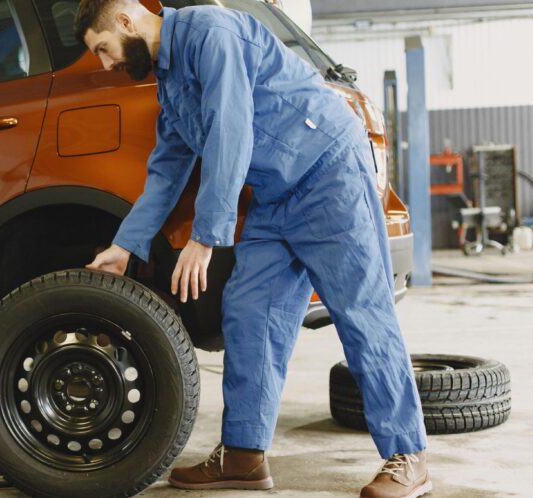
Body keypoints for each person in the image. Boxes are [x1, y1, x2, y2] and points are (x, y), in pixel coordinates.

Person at [75, 1, 432, 497]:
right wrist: (124, 246)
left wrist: (206, 236)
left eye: (104, 49)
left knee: (360, 311)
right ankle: (243, 457)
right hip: (273, 194)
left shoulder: (211, 31)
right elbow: (167, 168)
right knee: (249, 311)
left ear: (126, 21)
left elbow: (231, 127)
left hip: (327, 175)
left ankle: (407, 457)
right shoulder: (171, 79)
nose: (106, 63)